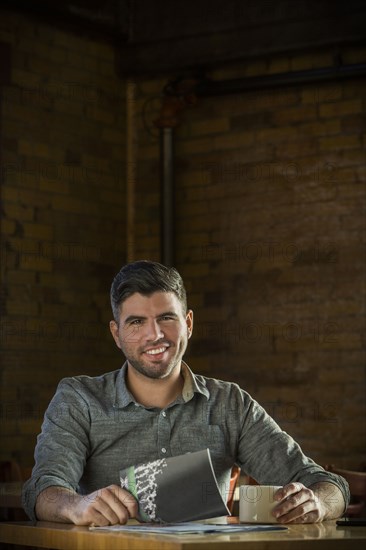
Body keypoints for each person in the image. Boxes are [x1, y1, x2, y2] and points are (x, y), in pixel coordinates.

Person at [22, 260, 349, 526]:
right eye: (136, 322)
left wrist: (318, 501)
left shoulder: (229, 404)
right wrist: (76, 505)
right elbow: (42, 489)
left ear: (188, 323)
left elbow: (323, 482)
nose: (155, 334)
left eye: (167, 318)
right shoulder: (78, 399)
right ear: (116, 334)